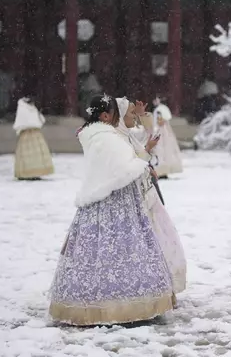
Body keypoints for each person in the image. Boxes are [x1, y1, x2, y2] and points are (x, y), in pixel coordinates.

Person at [49, 94, 174, 326]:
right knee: (118, 248)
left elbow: (124, 161)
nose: (118, 117)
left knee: (111, 250)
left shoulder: (100, 134)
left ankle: (114, 301)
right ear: (105, 115)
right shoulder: (103, 137)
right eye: (116, 112)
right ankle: (118, 305)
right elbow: (121, 167)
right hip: (114, 201)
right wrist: (142, 162)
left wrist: (142, 158)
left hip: (109, 200)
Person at [115, 97, 187, 302]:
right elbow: (134, 158)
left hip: (146, 194)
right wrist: (145, 159)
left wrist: (140, 117)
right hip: (135, 198)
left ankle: (160, 289)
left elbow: (143, 138)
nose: (135, 116)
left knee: (157, 241)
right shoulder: (117, 137)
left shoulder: (127, 134)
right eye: (130, 113)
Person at [12, 97, 54, 180]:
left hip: (34, 133)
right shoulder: (22, 108)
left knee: (34, 155)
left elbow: (39, 119)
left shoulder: (32, 108)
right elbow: (23, 122)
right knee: (29, 154)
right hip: (27, 133)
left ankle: (35, 172)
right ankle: (27, 173)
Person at [152, 96, 183, 179]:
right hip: (165, 131)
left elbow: (160, 121)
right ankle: (163, 170)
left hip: (161, 131)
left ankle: (162, 171)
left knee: (161, 151)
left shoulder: (159, 110)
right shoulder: (162, 109)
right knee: (165, 151)